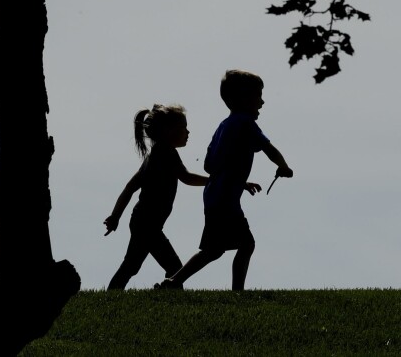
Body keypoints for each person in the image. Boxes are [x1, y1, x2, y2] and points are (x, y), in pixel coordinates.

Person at [156, 69, 293, 291]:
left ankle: (173, 281)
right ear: (242, 99)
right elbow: (268, 148)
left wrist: (240, 182)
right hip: (226, 200)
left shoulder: (224, 126)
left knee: (213, 250)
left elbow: (210, 165)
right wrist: (284, 166)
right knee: (246, 244)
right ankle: (237, 291)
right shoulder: (245, 123)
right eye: (258, 96)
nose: (262, 102)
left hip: (214, 196)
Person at [103, 103, 209, 290]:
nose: (188, 132)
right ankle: (165, 293)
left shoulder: (154, 156)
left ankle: (113, 295)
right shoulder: (166, 153)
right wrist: (214, 181)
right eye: (183, 128)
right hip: (147, 224)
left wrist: (115, 216)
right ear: (168, 131)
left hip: (142, 222)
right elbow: (186, 177)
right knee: (175, 268)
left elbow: (129, 188)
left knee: (131, 266)